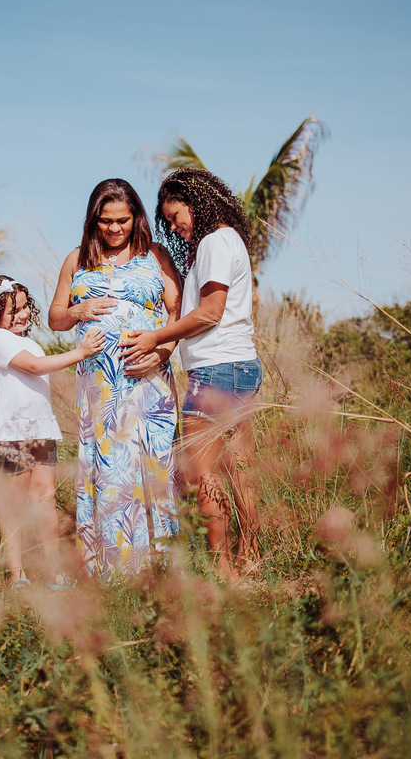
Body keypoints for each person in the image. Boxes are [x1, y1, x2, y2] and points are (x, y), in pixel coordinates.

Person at [119, 167, 263, 579]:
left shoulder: (215, 241)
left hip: (216, 370)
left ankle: (222, 567)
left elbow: (211, 312)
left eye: (175, 215)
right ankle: (251, 556)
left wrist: (156, 337)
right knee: (240, 469)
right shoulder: (227, 240)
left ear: (196, 203)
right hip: (241, 365)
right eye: (166, 220)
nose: (173, 226)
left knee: (204, 475)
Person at [48, 179, 183, 577]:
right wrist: (78, 310)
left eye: (122, 220)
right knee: (110, 467)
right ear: (94, 219)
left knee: (155, 465)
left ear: (135, 217)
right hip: (101, 387)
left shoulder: (154, 255)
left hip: (150, 380)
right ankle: (115, 569)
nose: (114, 228)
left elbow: (176, 312)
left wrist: (161, 353)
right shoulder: (77, 259)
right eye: (105, 221)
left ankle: (163, 567)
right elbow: (55, 317)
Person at [0, 274, 105, 589]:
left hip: (40, 427)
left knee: (45, 498)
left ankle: (54, 571)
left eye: (24, 307)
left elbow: (38, 366)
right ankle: (16, 574)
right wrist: (80, 353)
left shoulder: (29, 342)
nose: (22, 315)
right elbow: (34, 367)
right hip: (12, 432)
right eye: (13, 310)